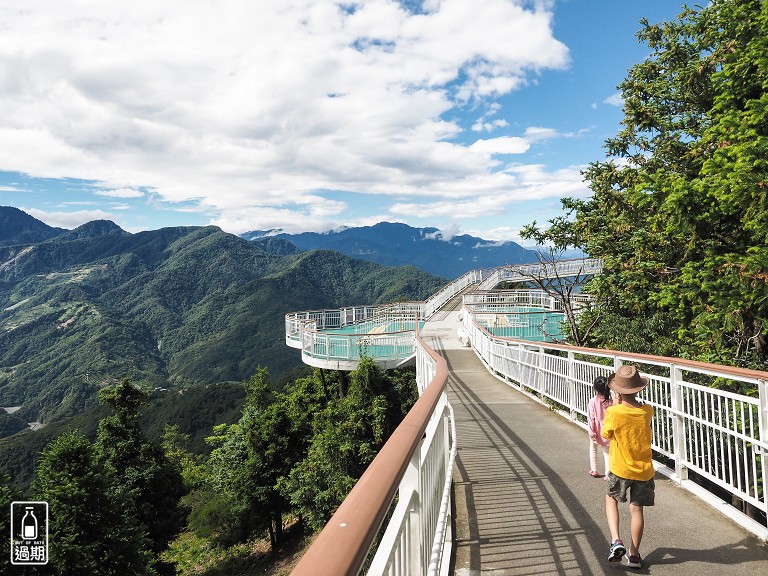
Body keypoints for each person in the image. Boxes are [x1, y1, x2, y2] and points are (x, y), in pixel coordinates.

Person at [601, 365, 654, 569]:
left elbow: (606, 434)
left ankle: (616, 541)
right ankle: (634, 554)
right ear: (639, 388)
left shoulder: (614, 412)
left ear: (618, 391)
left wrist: (615, 405)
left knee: (611, 499)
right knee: (636, 510)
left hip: (620, 468)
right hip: (643, 470)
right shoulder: (647, 411)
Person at [587, 375, 612, 478]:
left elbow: (590, 417)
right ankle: (608, 474)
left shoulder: (592, 401)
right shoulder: (610, 402)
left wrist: (591, 431)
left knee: (593, 448)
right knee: (607, 452)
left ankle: (594, 469)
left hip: (595, 429)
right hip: (607, 430)